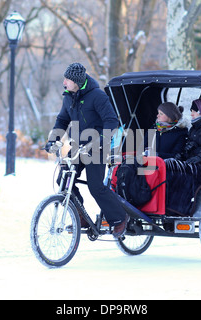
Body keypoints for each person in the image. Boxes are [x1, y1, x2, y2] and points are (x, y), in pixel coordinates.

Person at [44, 62, 129, 238]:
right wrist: (53, 140)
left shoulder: (97, 96)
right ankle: (80, 216)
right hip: (78, 146)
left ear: (76, 81)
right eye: (64, 79)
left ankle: (119, 217)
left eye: (67, 79)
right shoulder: (69, 97)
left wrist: (102, 141)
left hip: (97, 147)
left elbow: (112, 121)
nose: (64, 82)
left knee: (95, 186)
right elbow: (62, 121)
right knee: (64, 178)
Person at [165, 98, 201, 216]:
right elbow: (189, 145)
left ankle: (182, 210)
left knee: (184, 174)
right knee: (169, 168)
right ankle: (170, 209)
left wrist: (200, 157)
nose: (191, 114)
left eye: (194, 111)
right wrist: (182, 154)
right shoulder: (194, 128)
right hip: (192, 162)